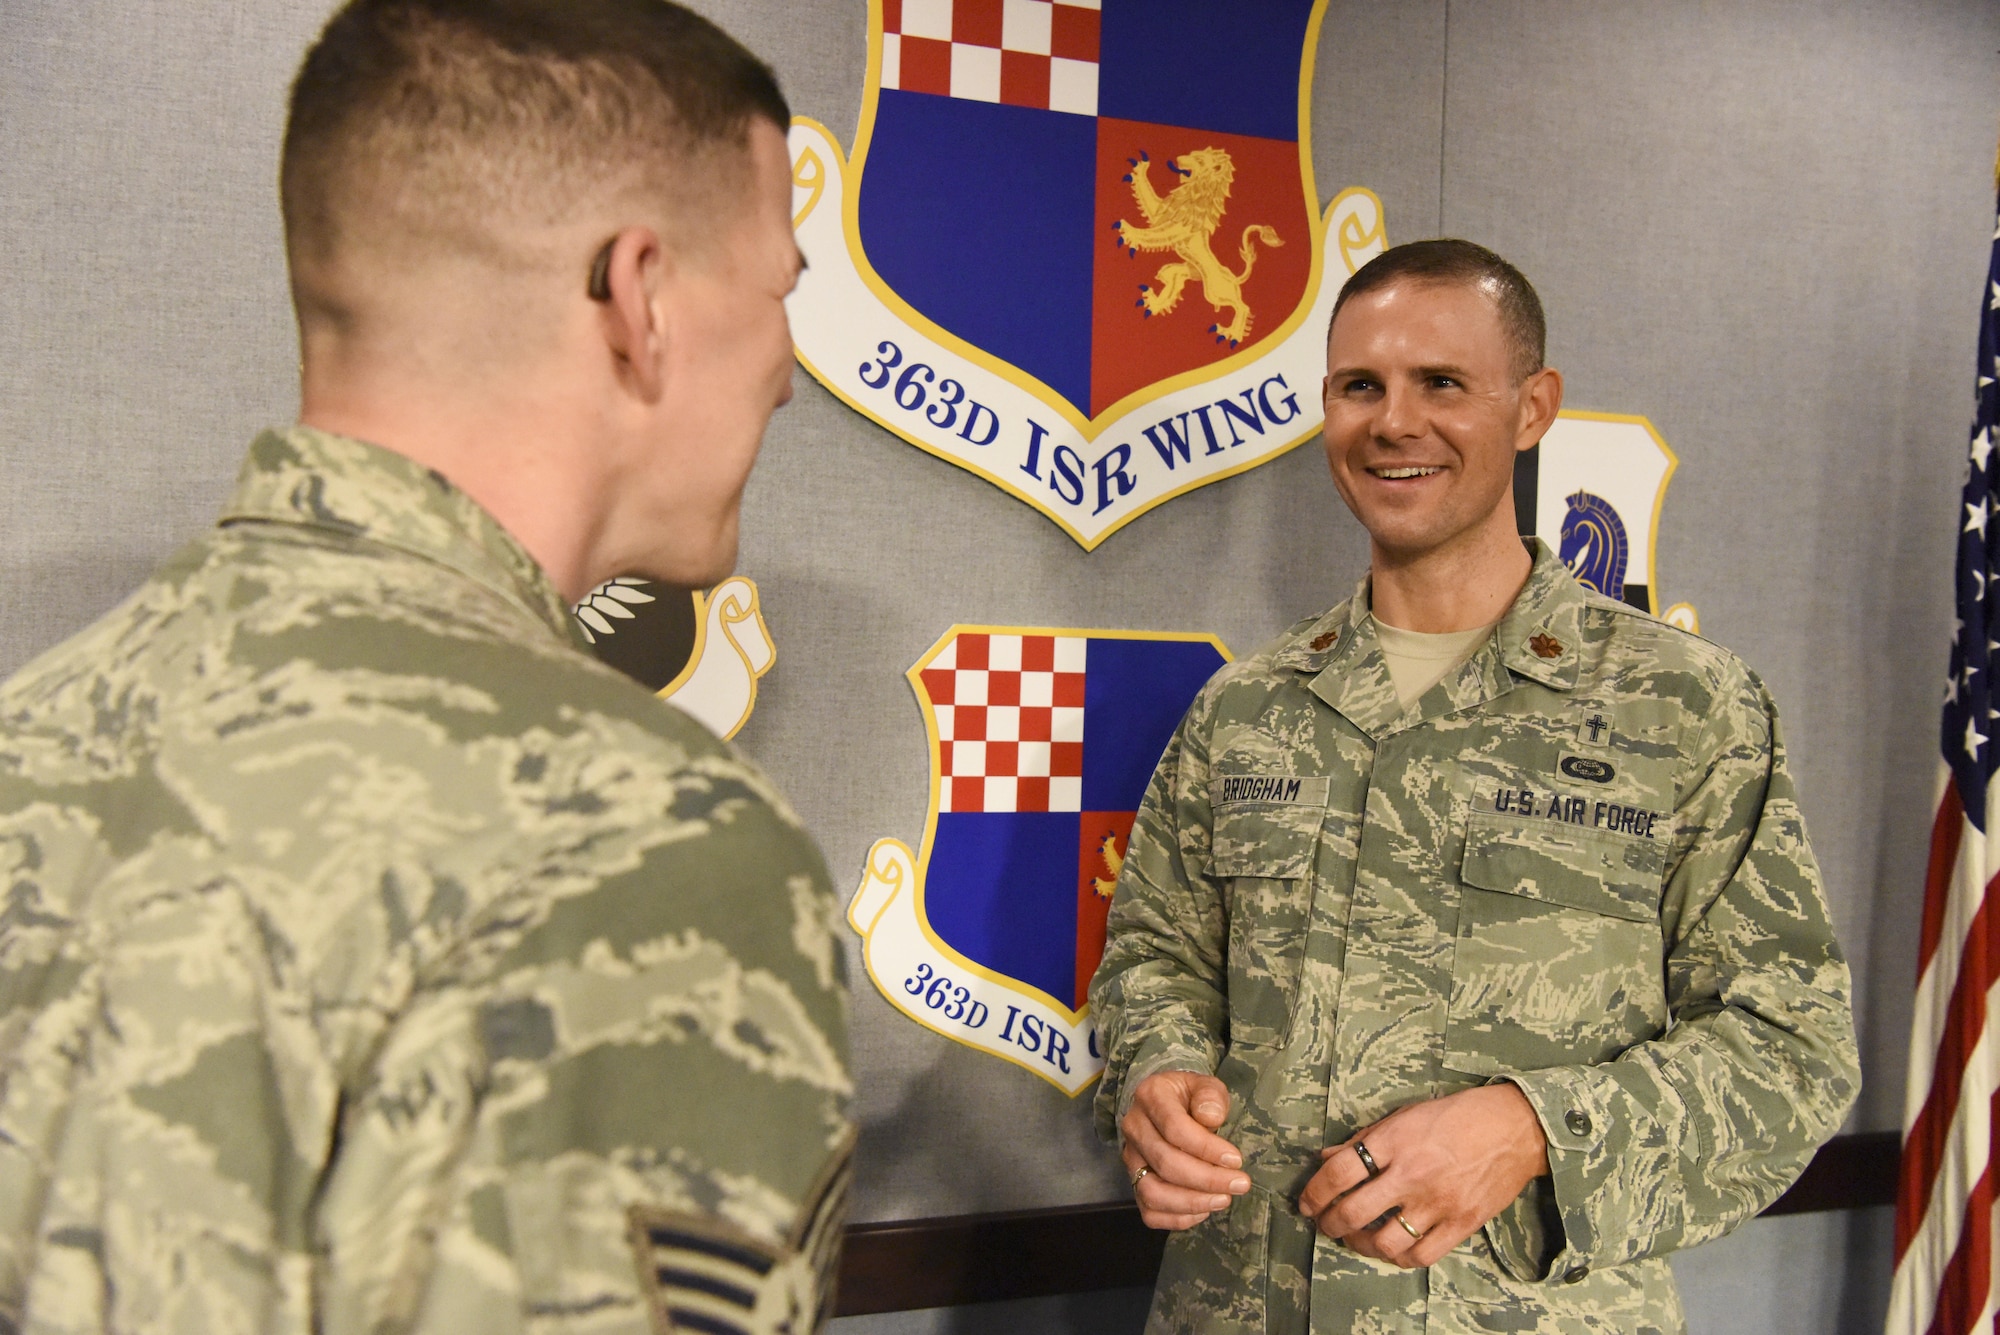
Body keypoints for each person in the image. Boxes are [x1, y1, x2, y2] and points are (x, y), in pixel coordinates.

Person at [0, 3, 851, 1332]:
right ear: (643, 299)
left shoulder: (30, 732)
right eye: (781, 291)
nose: (788, 374)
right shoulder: (644, 841)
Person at [1089, 239, 1859, 1333]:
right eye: (1360, 386)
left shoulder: (1681, 710)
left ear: (1531, 406)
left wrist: (1532, 1128)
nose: (1391, 422)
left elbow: (1789, 1046)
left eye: (1440, 383)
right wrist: (1156, 1077)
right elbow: (1153, 959)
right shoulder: (1244, 710)